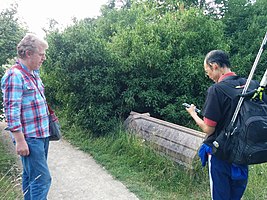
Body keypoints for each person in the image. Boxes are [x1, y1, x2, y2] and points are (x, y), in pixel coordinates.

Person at [185, 50, 249, 200]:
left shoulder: (216, 90)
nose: (208, 76)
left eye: (207, 72)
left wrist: (193, 114)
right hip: (243, 155)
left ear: (214, 66)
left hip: (221, 155)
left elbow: (208, 128)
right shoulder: (249, 85)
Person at [1, 33, 51, 200]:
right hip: (30, 137)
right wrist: (20, 140)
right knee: (42, 180)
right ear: (28, 53)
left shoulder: (33, 73)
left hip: (41, 135)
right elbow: (11, 110)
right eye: (41, 54)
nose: (44, 58)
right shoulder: (15, 75)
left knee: (31, 177)